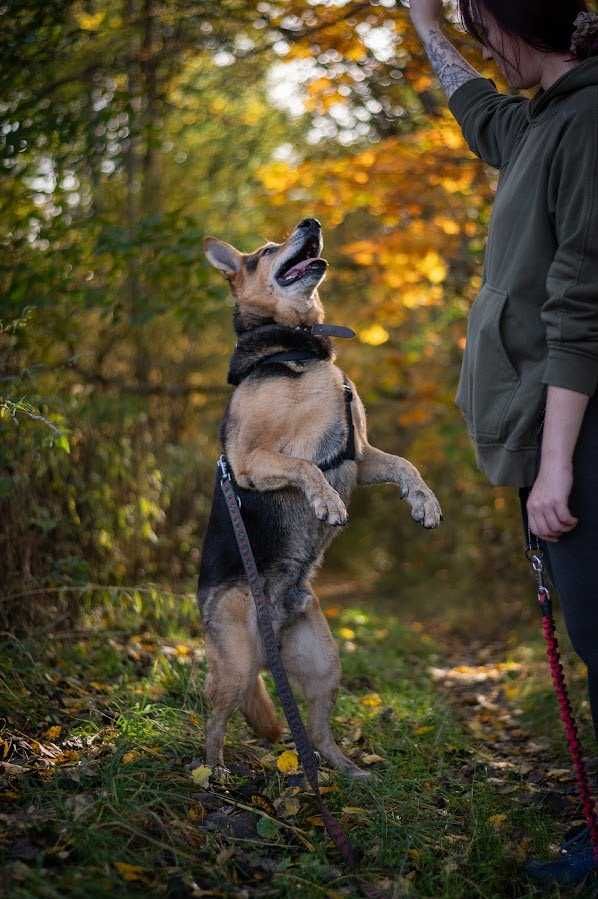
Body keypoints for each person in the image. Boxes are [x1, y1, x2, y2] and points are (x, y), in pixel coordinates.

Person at [408, 0, 598, 885]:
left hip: (584, 433)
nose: (482, 47)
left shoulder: (589, 122)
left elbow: (581, 305)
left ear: (518, 21)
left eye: (482, 27)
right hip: (557, 432)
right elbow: (478, 110)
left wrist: (554, 465)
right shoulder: (541, 120)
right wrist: (427, 25)